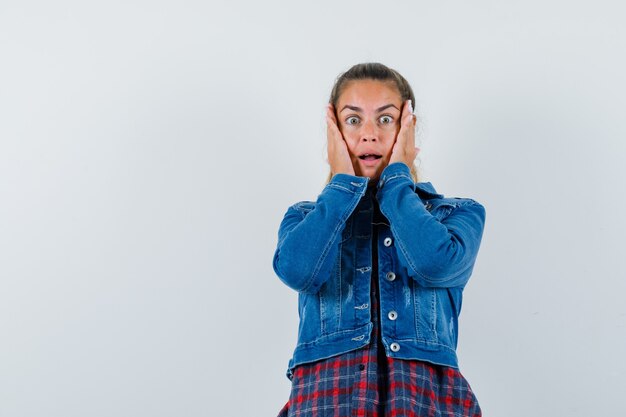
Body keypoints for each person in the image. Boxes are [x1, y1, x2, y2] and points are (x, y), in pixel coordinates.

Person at [273, 62, 486, 417]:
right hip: (325, 400)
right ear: (333, 133)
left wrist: (397, 178)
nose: (369, 134)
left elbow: (433, 263)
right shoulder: (304, 218)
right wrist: (342, 184)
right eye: (353, 120)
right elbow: (298, 271)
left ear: (409, 131)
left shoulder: (456, 215)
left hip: (425, 401)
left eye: (386, 120)